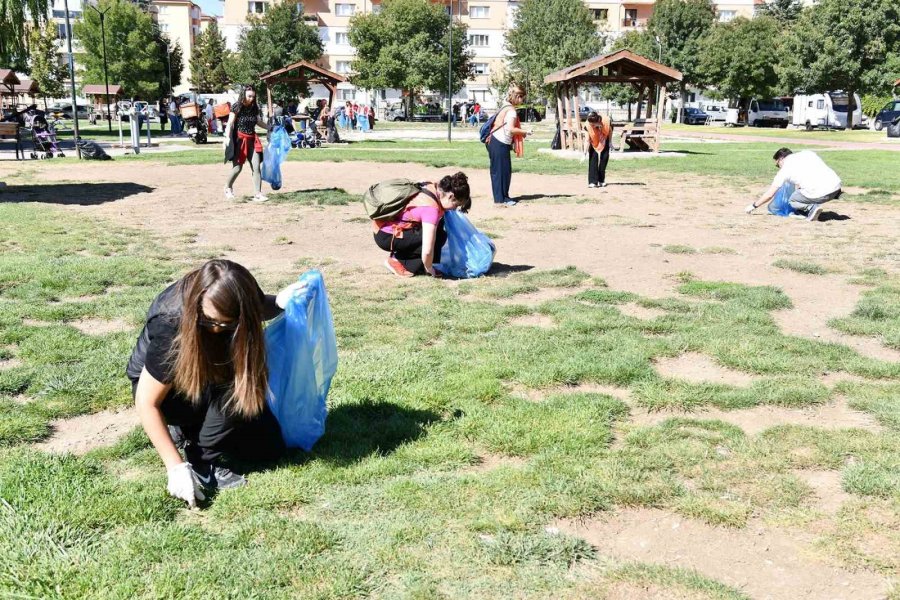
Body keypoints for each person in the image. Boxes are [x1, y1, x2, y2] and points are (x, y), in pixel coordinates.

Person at [127, 259, 305, 507]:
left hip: (209, 376)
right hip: (172, 393)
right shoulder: (171, 324)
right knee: (240, 376)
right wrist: (175, 467)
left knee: (269, 449)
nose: (216, 329)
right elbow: (147, 401)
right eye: (210, 322)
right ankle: (201, 460)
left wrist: (278, 302)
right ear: (197, 304)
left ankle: (190, 430)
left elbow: (257, 308)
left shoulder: (237, 290)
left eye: (227, 324)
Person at [375, 172, 472, 278]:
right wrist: (429, 269)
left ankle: (416, 264)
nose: (454, 209)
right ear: (450, 196)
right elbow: (427, 250)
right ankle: (396, 261)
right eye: (456, 204)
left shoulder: (432, 185)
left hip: (382, 226)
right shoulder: (431, 209)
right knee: (435, 238)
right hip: (386, 235)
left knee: (439, 231)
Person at [746, 147, 842, 222]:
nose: (778, 167)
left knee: (792, 200)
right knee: (804, 191)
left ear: (781, 159)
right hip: (836, 186)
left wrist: (754, 206)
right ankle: (810, 207)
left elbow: (770, 194)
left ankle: (812, 208)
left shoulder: (784, 171)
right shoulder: (808, 153)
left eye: (777, 164)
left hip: (821, 193)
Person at [485, 85, 530, 206]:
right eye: (522, 98)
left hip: (494, 141)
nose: (522, 101)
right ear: (517, 97)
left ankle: (501, 197)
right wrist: (525, 132)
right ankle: (502, 198)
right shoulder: (511, 111)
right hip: (499, 142)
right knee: (502, 171)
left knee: (498, 171)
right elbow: (510, 129)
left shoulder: (505, 106)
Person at [224, 86, 268, 203]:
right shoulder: (237, 107)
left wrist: (270, 127)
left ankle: (258, 194)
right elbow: (230, 123)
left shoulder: (254, 108)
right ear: (244, 95)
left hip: (252, 140)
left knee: (256, 166)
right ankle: (228, 187)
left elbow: (258, 121)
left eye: (253, 96)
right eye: (249, 96)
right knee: (238, 168)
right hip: (239, 140)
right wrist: (227, 137)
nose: (251, 99)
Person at [583, 111, 612, 188]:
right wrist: (584, 154)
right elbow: (587, 140)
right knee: (593, 158)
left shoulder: (606, 121)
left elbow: (610, 131)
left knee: (604, 158)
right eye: (590, 124)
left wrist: (610, 142)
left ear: (598, 122)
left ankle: (601, 180)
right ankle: (593, 181)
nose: (591, 125)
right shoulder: (587, 125)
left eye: (593, 124)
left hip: (604, 138)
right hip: (594, 140)